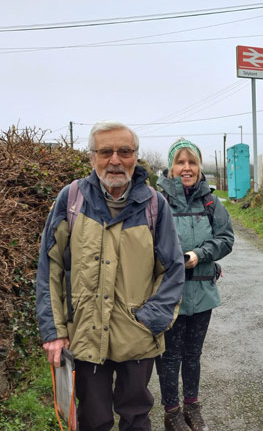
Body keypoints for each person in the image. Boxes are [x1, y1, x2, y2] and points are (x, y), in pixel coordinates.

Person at [36, 121, 185, 431]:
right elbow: (49, 267)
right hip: (85, 332)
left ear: (135, 157)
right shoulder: (72, 199)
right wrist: (54, 331)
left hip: (137, 336)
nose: (115, 160)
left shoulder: (155, 205)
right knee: (93, 419)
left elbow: (173, 269)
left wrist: (149, 321)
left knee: (136, 417)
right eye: (105, 152)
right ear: (92, 158)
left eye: (124, 151)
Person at [155, 139, 234, 431]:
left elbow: (226, 238)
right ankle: (172, 412)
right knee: (170, 356)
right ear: (171, 166)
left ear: (199, 167)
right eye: (180, 162)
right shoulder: (157, 201)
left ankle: (192, 408)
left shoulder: (211, 201)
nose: (186, 168)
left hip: (202, 292)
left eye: (192, 163)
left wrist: (199, 255)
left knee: (193, 355)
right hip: (168, 295)